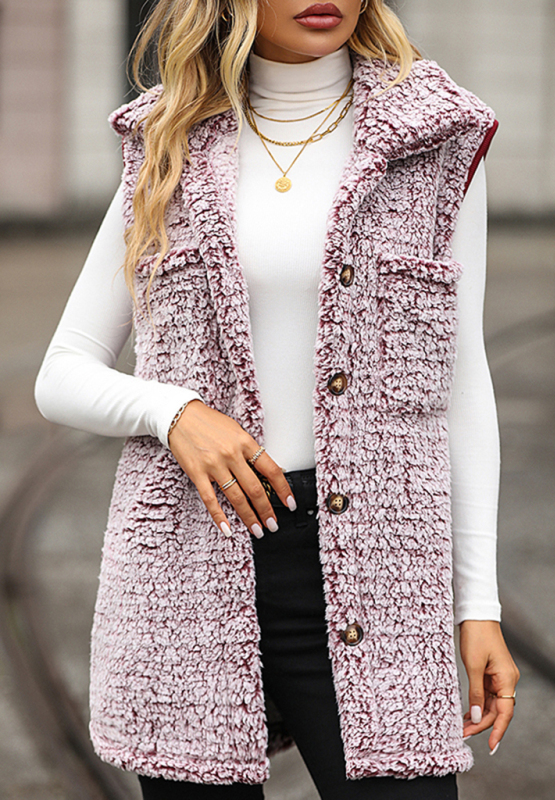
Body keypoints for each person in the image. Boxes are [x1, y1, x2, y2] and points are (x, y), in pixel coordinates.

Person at [35, 0, 521, 797]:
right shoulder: (167, 143)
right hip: (192, 569)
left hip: (378, 575)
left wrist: (479, 604)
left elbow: (461, 383)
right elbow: (62, 371)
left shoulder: (435, 141)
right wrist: (176, 413)